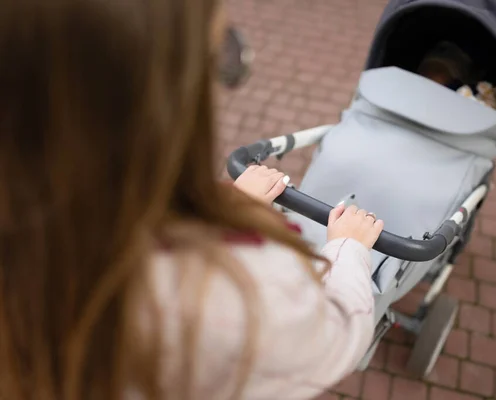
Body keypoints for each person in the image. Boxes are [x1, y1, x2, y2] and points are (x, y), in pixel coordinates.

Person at [0, 0, 384, 399]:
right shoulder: (240, 292)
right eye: (220, 56)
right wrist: (349, 248)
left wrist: (232, 207)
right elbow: (338, 334)